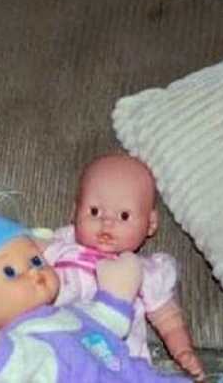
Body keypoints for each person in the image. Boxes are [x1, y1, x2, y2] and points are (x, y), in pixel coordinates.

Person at [0, 210, 190, 382]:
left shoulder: (73, 311)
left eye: (35, 259)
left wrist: (117, 289)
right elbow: (9, 361)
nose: (33, 271)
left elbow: (109, 320)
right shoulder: (21, 340)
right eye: (10, 272)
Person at [42, 153, 203, 379]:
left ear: (151, 223)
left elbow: (167, 318)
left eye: (124, 215)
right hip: (57, 355)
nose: (107, 222)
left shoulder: (144, 272)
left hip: (116, 365)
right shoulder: (60, 248)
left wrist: (183, 351)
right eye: (95, 211)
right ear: (74, 213)